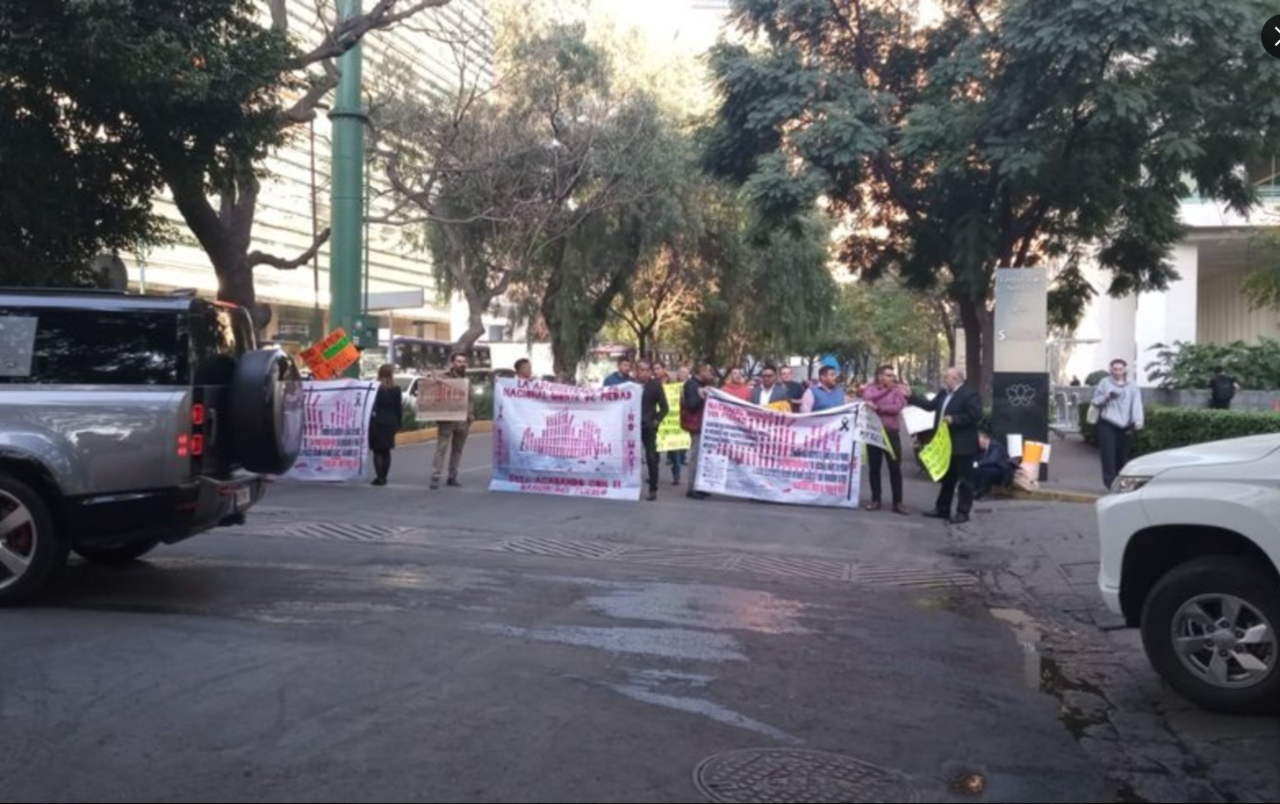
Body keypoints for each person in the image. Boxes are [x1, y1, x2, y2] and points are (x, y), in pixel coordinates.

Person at [910, 367, 983, 524]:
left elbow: (975, 415)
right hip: (945, 443)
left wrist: (955, 419)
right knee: (947, 478)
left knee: (964, 481)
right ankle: (942, 508)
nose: (944, 380)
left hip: (962, 444)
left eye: (946, 377)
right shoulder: (944, 393)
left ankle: (963, 512)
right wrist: (910, 397)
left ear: (956, 378)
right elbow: (930, 406)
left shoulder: (969, 394)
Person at [859, 363, 909, 514]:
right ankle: (876, 500)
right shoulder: (871, 388)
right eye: (888, 375)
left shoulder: (898, 391)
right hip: (874, 433)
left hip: (891, 433)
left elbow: (897, 408)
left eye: (892, 376)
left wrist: (879, 408)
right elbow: (868, 398)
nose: (891, 378)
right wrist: (886, 391)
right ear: (880, 376)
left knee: (895, 468)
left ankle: (898, 503)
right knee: (874, 468)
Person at [1091, 358, 1144, 490]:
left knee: (1122, 456)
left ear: (1125, 370)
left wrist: (1138, 421)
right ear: (1110, 370)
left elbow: (1136, 404)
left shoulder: (1132, 385)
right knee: (1108, 456)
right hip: (1107, 423)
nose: (1117, 372)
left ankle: (1122, 484)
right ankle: (1110, 484)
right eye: (1114, 369)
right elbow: (1095, 401)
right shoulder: (1104, 383)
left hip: (1124, 425)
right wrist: (1107, 397)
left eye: (1120, 369)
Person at [431, 351, 473, 490]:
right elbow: (431, 386)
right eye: (459, 361)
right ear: (452, 363)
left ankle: (452, 476)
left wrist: (470, 416)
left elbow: (470, 399)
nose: (461, 364)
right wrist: (435, 380)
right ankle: (435, 476)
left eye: (463, 362)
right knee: (441, 448)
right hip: (447, 419)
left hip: (463, 420)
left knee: (457, 450)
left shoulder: (467, 379)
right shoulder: (444, 377)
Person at [680, 362, 714, 499]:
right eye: (709, 371)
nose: (710, 374)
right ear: (701, 371)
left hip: (703, 426)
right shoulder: (691, 385)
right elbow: (691, 405)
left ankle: (699, 485)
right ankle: (691, 487)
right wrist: (702, 395)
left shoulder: (699, 385)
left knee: (701, 457)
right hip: (696, 427)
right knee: (695, 456)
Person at [636, 360, 669, 501]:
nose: (644, 372)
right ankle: (629, 487)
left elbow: (664, 408)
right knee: (631, 458)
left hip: (648, 427)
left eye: (646, 370)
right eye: (641, 370)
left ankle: (653, 489)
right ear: (636, 371)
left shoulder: (655, 386)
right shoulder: (630, 385)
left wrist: (655, 422)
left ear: (650, 372)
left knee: (651, 458)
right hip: (632, 427)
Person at [368, 364, 403, 486]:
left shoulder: (375, 388)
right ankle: (385, 477)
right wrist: (398, 423)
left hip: (377, 422)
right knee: (386, 451)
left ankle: (379, 477)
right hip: (391, 422)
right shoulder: (396, 389)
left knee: (377, 451)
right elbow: (398, 408)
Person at [974, 428, 1015, 499]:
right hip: (994, 471)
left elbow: (993, 460)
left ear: (984, 438)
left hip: (1003, 473)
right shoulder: (982, 449)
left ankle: (983, 492)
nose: (977, 443)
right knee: (978, 470)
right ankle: (976, 491)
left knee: (986, 470)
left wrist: (978, 464)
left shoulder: (995, 446)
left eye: (978, 440)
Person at [668, 365, 690, 485]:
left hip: (686, 421)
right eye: (680, 372)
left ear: (688, 374)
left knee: (682, 449)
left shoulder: (691, 386)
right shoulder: (671, 386)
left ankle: (682, 458)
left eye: (684, 372)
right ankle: (676, 474)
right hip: (672, 422)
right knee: (674, 450)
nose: (682, 374)